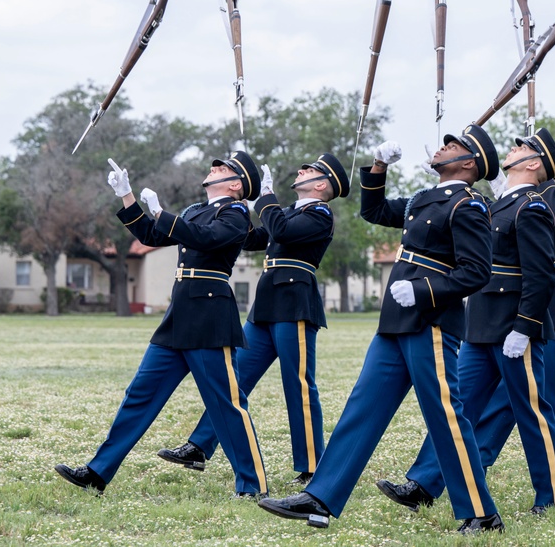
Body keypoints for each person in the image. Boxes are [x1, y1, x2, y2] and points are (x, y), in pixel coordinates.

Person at [258, 125, 505, 534]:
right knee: (362, 408)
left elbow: (476, 272)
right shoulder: (426, 199)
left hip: (430, 322)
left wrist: (425, 290)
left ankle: (482, 513)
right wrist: (378, 167)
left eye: (454, 146)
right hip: (395, 320)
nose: (443, 146)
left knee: (446, 418)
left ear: (468, 163)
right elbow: (373, 211)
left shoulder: (469, 206)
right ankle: (321, 497)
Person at [377, 128, 555, 514]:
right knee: (458, 406)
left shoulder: (530, 207)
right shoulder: (495, 204)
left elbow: (541, 275)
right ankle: (424, 484)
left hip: (514, 326)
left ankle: (551, 499)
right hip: (480, 324)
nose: (514, 148)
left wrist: (525, 325)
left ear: (533, 164)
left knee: (532, 413)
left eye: (523, 147)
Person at [55, 151, 268, 497]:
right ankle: (97, 472)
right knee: (139, 395)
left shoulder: (237, 213)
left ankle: (253, 484)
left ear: (235, 184)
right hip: (179, 316)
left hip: (209, 317)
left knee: (226, 404)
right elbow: (152, 236)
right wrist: (127, 196)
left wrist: (160, 212)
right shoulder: (195, 210)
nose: (214, 167)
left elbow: (207, 239)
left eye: (224, 167)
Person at [157, 154, 350, 485]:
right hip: (267, 306)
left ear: (321, 185)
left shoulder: (319, 214)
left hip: (295, 304)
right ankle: (200, 446)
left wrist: (267, 197)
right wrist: (236, 210)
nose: (301, 169)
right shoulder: (288, 212)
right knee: (236, 380)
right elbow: (252, 238)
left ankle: (312, 466)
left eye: (310, 170)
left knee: (299, 385)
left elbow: (281, 231)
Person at [467, 143, 555, 488]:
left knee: (553, 392)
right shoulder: (540, 197)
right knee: (510, 399)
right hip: (527, 299)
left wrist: (546, 179)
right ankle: (476, 459)